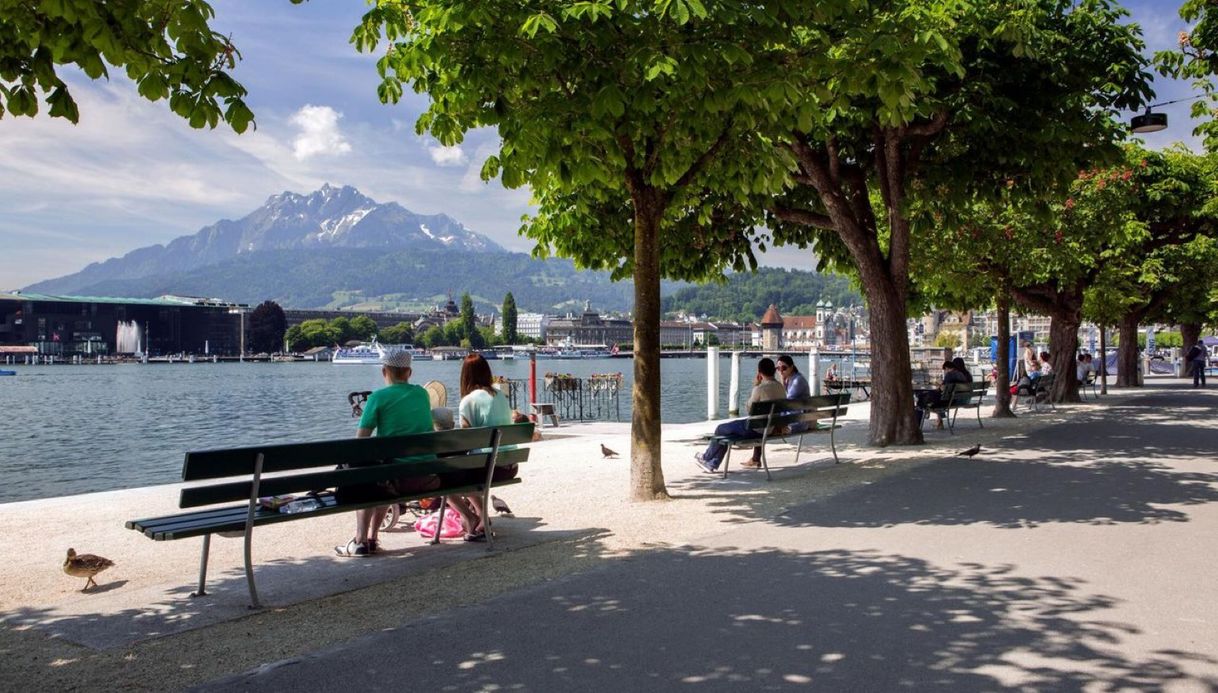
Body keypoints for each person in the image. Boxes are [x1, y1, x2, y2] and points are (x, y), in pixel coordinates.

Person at [336, 349, 438, 557]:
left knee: (367, 473)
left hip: (397, 480)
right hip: (428, 475)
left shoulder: (378, 397)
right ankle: (372, 537)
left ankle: (360, 541)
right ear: (409, 372)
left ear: (385, 372)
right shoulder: (422, 393)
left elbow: (360, 442)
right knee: (381, 472)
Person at [447, 353, 518, 541]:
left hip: (487, 469)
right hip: (509, 466)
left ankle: (470, 518)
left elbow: (465, 440)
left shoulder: (468, 401)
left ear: (465, 376)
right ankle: (482, 518)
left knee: (443, 480)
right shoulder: (500, 395)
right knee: (471, 469)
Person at [695, 358, 786, 473]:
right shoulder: (781, 387)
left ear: (759, 372)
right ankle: (711, 464)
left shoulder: (759, 389)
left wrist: (756, 385)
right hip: (770, 428)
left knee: (721, 429)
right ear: (773, 371)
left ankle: (706, 457)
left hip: (754, 429)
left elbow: (749, 409)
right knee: (727, 432)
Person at [744, 354, 811, 468]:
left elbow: (786, 403)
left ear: (791, 367)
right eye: (778, 368)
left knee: (764, 422)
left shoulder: (797, 381)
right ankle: (755, 459)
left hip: (798, 421)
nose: (781, 371)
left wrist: (759, 385)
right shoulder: (788, 380)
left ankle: (755, 459)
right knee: (765, 421)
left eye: (784, 368)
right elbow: (782, 403)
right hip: (793, 418)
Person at [919, 360, 970, 430]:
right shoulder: (961, 374)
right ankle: (936, 419)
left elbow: (943, 389)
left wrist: (939, 384)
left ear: (947, 368)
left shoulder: (949, 375)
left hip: (949, 401)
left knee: (922, 398)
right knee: (928, 398)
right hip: (955, 399)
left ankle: (924, 411)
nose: (945, 372)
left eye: (945, 370)